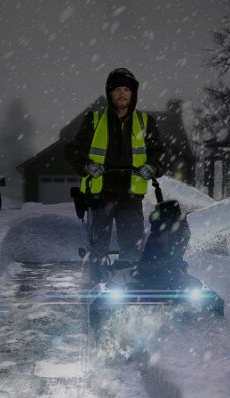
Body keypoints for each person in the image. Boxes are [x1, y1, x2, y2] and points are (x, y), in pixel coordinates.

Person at [65, 67, 168, 281]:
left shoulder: (145, 122)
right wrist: (87, 166)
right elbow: (74, 151)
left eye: (126, 90)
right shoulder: (94, 120)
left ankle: (128, 284)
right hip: (99, 197)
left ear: (133, 94)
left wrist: (152, 167)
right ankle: (96, 284)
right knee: (97, 248)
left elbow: (160, 154)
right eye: (117, 90)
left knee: (132, 248)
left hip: (131, 197)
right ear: (109, 93)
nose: (122, 94)